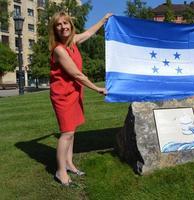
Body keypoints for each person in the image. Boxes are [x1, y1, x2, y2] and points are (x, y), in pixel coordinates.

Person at [48, 11, 112, 185]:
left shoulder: (73, 41)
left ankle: (69, 164)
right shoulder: (60, 50)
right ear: (55, 29)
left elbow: (89, 33)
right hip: (62, 95)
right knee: (66, 133)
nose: (63, 27)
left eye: (65, 23)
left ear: (70, 25)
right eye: (59, 25)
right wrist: (97, 88)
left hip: (74, 92)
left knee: (72, 131)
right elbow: (77, 74)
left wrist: (103, 19)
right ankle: (61, 172)